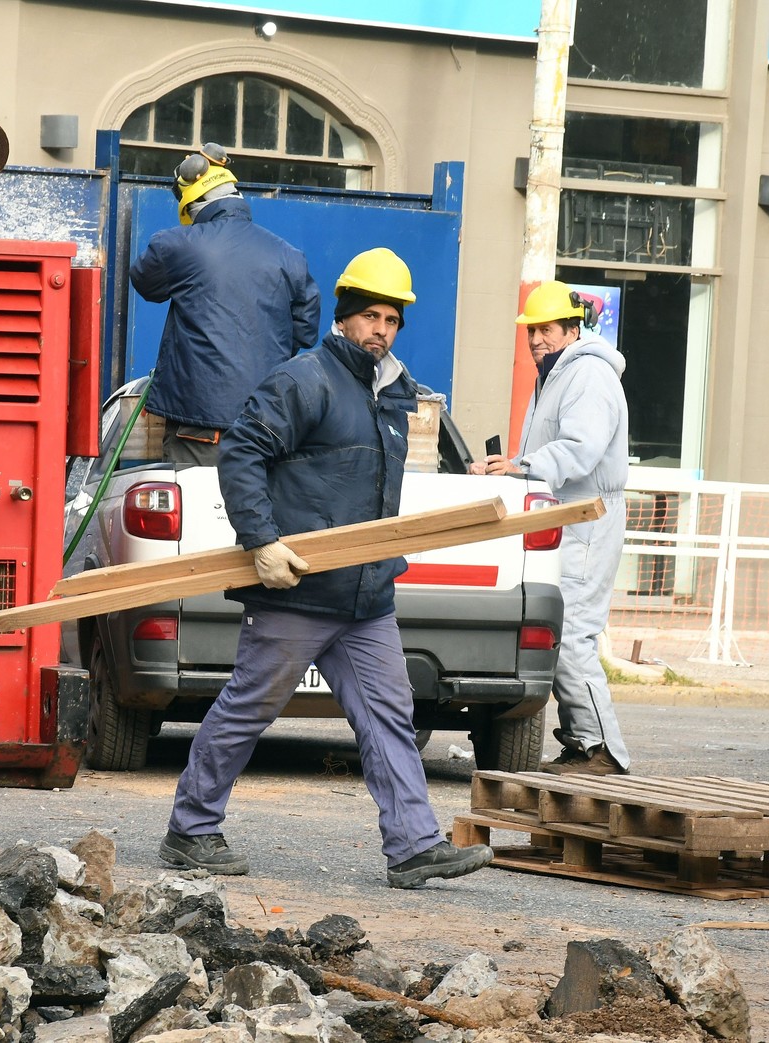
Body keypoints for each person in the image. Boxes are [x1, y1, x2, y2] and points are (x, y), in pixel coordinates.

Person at [159, 248, 494, 889]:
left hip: (366, 595)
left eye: (392, 320)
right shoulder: (305, 379)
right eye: (370, 316)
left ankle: (414, 845)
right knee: (249, 708)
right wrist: (261, 540)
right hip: (298, 590)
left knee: (390, 714)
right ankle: (191, 830)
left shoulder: (394, 395)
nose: (381, 330)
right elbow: (242, 452)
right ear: (343, 317)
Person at [470, 281, 632, 776]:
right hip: (568, 517)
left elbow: (580, 448)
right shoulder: (558, 375)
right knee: (561, 633)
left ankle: (602, 749)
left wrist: (521, 467)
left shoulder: (586, 374)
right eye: (531, 331)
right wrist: (513, 466)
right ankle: (584, 743)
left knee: (574, 633)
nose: (536, 339)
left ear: (570, 329)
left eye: (545, 329)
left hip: (586, 518)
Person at [129, 144, 321, 465]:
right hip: (268, 425)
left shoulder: (179, 245)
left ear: (193, 203)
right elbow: (306, 333)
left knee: (199, 513)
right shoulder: (289, 256)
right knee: (257, 513)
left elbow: (146, 283)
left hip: (200, 425)